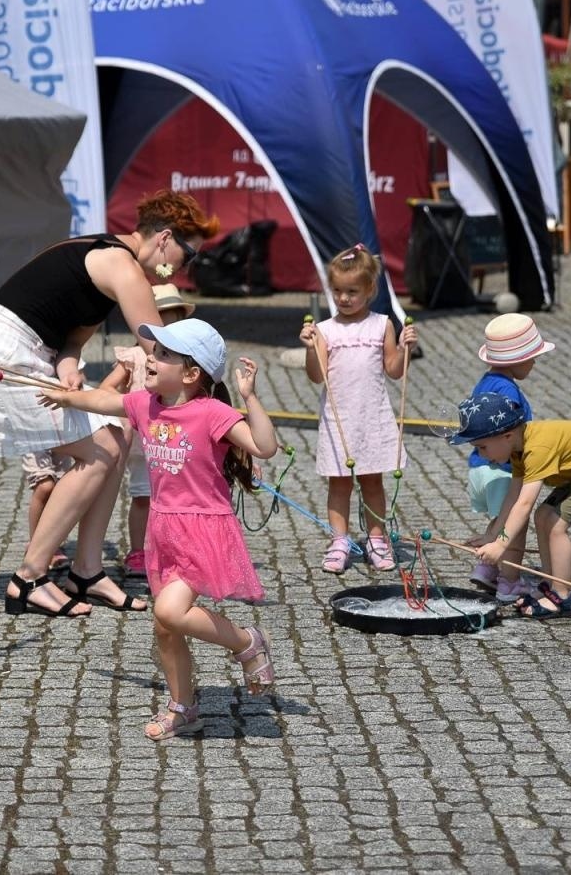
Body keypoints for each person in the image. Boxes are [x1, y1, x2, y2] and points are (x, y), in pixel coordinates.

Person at [0, 191, 220, 618]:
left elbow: (72, 339)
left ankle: (86, 572)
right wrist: (209, 402)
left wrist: (69, 367)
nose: (182, 269)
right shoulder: (123, 266)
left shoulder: (109, 257)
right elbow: (159, 348)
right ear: (165, 239)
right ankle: (29, 578)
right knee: (101, 449)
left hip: (15, 349)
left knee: (116, 435)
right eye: (187, 258)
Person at [39, 318, 279, 739]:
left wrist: (251, 398)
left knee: (170, 610)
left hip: (203, 529)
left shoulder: (212, 412)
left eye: (164, 354)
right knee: (165, 628)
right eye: (155, 351)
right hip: (163, 529)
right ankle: (183, 708)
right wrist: (69, 397)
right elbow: (102, 400)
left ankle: (247, 642)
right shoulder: (143, 404)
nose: (151, 357)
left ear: (190, 374)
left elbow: (264, 446)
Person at [298, 245, 419, 573]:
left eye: (352, 291)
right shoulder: (326, 330)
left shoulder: (382, 325)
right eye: (337, 290)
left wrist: (407, 348)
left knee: (372, 482)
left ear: (369, 290)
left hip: (372, 416)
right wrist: (311, 349)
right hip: (339, 419)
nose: (344, 298)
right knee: (339, 484)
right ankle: (340, 540)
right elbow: (315, 374)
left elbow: (393, 370)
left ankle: (377, 539)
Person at [460, 395, 571, 620]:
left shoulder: (536, 449)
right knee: (544, 516)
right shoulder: (518, 447)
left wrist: (501, 545)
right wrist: (492, 535)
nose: (481, 454)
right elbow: (513, 497)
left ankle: (562, 597)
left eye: (482, 447)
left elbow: (524, 504)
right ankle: (550, 585)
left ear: (507, 436)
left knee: (554, 525)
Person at [104, 283, 196, 578]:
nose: (166, 325)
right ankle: (137, 551)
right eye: (160, 316)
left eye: (173, 317)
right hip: (144, 442)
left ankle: (173, 551)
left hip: (179, 438)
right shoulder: (135, 355)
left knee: (177, 499)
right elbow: (107, 387)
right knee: (143, 496)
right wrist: (129, 409)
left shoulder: (189, 358)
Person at [465, 314, 553, 602]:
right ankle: (509, 583)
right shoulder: (508, 391)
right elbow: (514, 437)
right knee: (515, 526)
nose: (535, 363)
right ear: (516, 360)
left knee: (500, 521)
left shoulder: (485, 382)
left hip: (479, 469)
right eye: (533, 357)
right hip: (501, 471)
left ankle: (485, 569)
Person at [21, 450, 72, 571]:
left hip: (60, 436)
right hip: (33, 436)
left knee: (61, 486)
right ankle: (35, 549)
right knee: (44, 486)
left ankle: (50, 545)